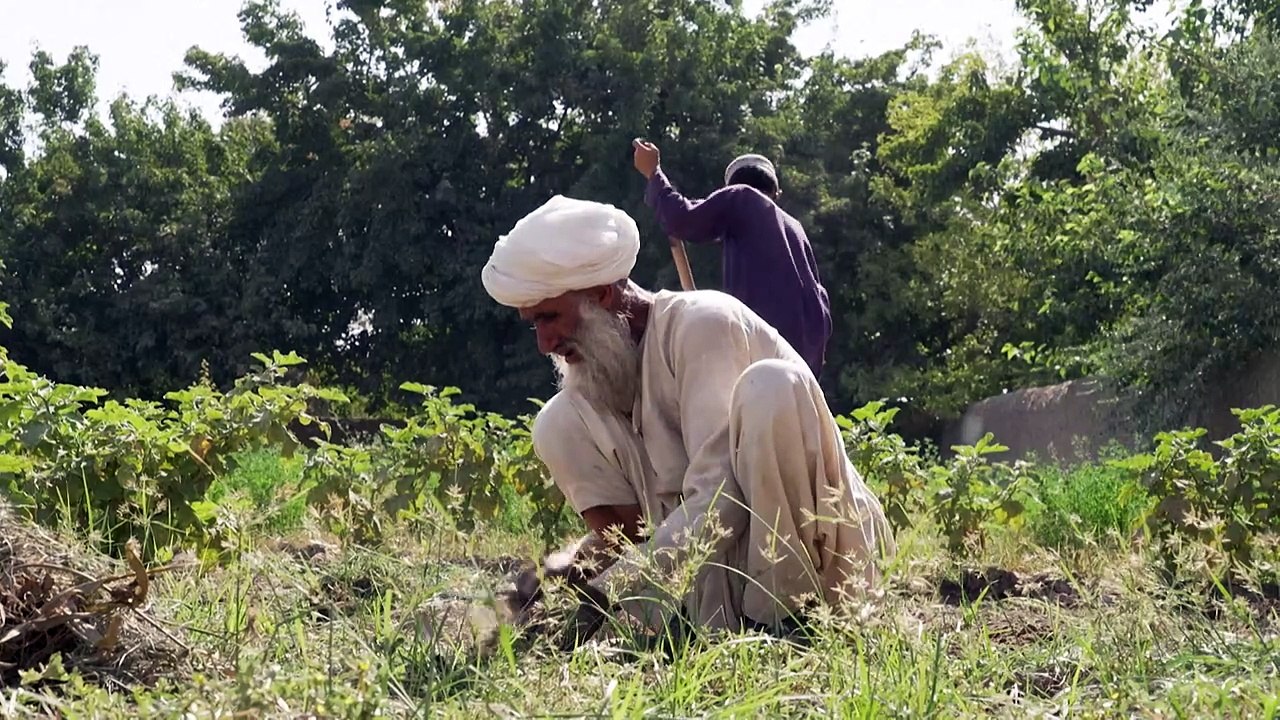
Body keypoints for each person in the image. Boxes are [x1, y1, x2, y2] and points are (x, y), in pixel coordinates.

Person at [481, 194, 895, 649]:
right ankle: (693, 623)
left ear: (602, 294)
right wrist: (572, 568)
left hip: (825, 566)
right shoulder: (606, 373)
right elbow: (639, 528)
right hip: (710, 584)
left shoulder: (702, 324)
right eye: (532, 325)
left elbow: (722, 498)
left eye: (549, 317)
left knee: (770, 385)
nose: (544, 343)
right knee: (556, 419)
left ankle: (788, 626)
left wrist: (607, 592)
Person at [632, 139, 833, 381]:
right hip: (803, 367)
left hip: (763, 355)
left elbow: (682, 219)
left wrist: (654, 174)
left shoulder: (740, 197)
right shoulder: (795, 228)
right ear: (776, 193)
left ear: (728, 188)